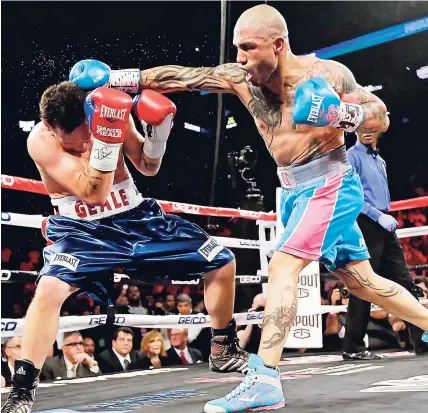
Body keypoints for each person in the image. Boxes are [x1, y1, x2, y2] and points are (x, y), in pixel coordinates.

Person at [67, 5, 428, 412]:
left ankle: (265, 380)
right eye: (237, 48)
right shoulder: (241, 79)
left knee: (283, 266)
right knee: (362, 282)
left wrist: (343, 113)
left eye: (248, 48)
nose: (239, 58)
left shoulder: (326, 74)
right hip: (292, 191)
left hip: (332, 183)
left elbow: (379, 117)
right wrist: (115, 78)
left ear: (278, 45)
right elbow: (182, 77)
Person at [2, 82, 248, 413]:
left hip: (136, 218)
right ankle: (22, 389)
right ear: (50, 127)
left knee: (221, 260)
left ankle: (223, 347)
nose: (85, 141)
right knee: (48, 289)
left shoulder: (111, 112)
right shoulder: (40, 140)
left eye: (88, 131)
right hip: (82, 228)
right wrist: (106, 135)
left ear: (91, 112)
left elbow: (148, 167)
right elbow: (92, 192)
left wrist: (158, 132)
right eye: (73, 140)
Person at [343, 131, 428, 359]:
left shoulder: (379, 160)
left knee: (406, 282)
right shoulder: (351, 156)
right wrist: (375, 215)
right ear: (355, 128)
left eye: (373, 126)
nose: (368, 131)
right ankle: (353, 346)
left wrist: (384, 215)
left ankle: (423, 342)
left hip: (384, 223)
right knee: (363, 283)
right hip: (366, 222)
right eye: (363, 126)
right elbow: (349, 195)